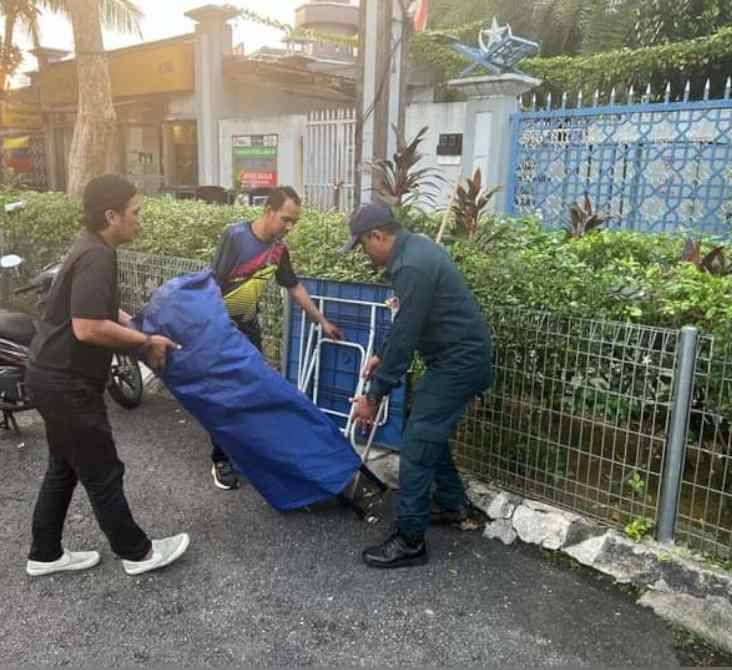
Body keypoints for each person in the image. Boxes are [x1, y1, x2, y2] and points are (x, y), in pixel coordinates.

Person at [24, 174, 190, 577]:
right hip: (67, 382)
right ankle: (138, 553)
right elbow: (87, 327)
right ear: (111, 215)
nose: (141, 220)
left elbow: (97, 309)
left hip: (50, 374)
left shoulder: (90, 246)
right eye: (136, 212)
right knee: (102, 470)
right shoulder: (98, 255)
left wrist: (135, 325)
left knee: (64, 467)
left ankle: (44, 554)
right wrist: (143, 343)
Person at [344, 204, 493, 569]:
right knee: (425, 430)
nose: (365, 254)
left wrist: (374, 395)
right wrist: (381, 354)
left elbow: (407, 333)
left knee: (416, 442)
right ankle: (454, 505)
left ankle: (410, 540)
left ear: (378, 235)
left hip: (459, 364)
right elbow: (407, 321)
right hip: (454, 360)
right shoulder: (414, 252)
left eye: (363, 245)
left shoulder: (412, 265)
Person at [205, 186, 344, 490]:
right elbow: (213, 283)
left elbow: (293, 286)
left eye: (294, 221)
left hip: (248, 326)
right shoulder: (236, 236)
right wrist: (213, 328)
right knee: (224, 395)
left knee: (253, 390)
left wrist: (321, 321)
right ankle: (220, 459)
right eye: (285, 219)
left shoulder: (279, 249)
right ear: (268, 211)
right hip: (220, 328)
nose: (289, 227)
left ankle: (246, 449)